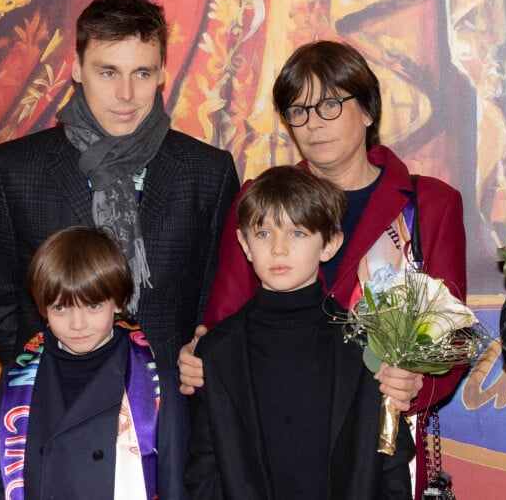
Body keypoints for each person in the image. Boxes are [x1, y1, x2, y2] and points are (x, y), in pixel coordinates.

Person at [179, 40, 467, 498]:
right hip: (271, 444)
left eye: (330, 104)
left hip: (376, 442)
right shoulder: (258, 203)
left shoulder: (428, 204)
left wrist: (418, 381)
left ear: (369, 110)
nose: (313, 124)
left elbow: (451, 340)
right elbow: (224, 319)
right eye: (298, 111)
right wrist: (200, 356)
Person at [0, 0, 240, 366]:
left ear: (162, 73)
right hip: (52, 399)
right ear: (78, 69)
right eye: (108, 72)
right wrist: (38, 375)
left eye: (141, 73)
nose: (125, 95)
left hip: (168, 406)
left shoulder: (209, 172)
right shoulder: (14, 168)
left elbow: (217, 297)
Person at [184, 166, 415, 499]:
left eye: (297, 233)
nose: (279, 249)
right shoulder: (217, 351)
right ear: (244, 244)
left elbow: (391, 463)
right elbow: (204, 470)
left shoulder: (369, 344)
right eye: (263, 233)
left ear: (330, 243)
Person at [0, 226, 190, 499]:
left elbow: (175, 485)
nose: (77, 324)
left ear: (120, 301)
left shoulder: (156, 381)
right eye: (60, 307)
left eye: (93, 306)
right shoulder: (17, 379)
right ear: (43, 307)